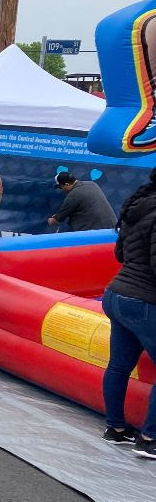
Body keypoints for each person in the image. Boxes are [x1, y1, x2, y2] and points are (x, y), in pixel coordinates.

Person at [100, 168, 156, 457]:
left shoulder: (137, 206)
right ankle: (149, 438)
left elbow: (120, 254)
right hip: (144, 300)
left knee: (119, 366)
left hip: (117, 294)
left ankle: (116, 428)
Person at [48, 170, 118, 231]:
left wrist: (50, 220)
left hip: (96, 235)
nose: (62, 190)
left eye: (61, 187)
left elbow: (55, 221)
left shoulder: (74, 195)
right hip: (113, 230)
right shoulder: (92, 184)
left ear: (66, 184)